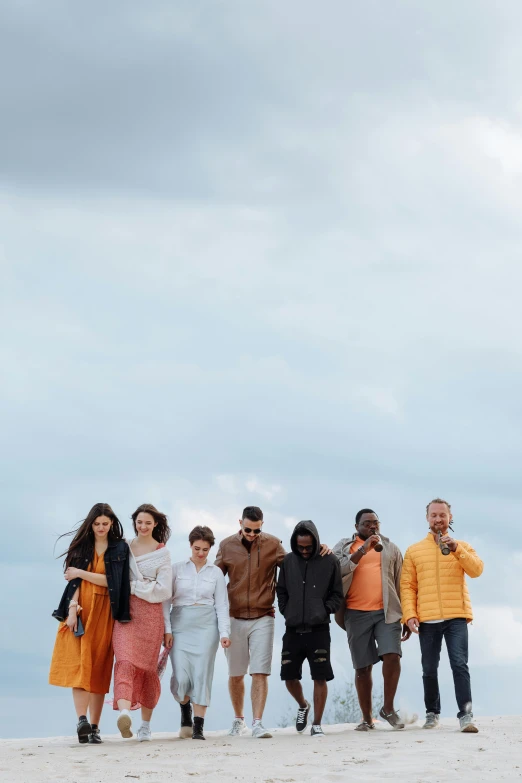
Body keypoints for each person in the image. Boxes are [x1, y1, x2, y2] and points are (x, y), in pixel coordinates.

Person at [215, 506, 332, 739]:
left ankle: (257, 723)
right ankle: (240, 721)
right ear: (240, 523)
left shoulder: (272, 544)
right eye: (247, 529)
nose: (251, 534)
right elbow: (215, 579)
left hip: (263, 616)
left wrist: (321, 549)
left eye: (256, 530)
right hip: (234, 616)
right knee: (236, 673)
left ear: (262, 525)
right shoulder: (226, 545)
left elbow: (297, 563)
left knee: (260, 672)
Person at [50, 502, 130, 744]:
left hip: (107, 612)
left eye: (105, 524)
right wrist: (72, 610)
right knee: (81, 668)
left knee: (100, 669)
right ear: (91, 523)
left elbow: (112, 581)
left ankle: (95, 727)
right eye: (97, 524)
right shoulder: (82, 547)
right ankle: (82, 721)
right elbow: (72, 584)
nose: (101, 528)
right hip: (83, 609)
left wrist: (80, 573)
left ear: (112, 524)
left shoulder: (120, 548)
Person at [401, 498, 484, 733]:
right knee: (429, 667)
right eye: (434, 515)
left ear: (450, 518)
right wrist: (409, 614)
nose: (438, 519)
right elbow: (407, 586)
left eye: (443, 515)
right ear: (427, 518)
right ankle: (432, 713)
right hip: (427, 619)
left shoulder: (463, 546)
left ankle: (466, 717)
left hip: (456, 616)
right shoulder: (414, 550)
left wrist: (458, 550)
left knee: (459, 665)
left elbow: (477, 570)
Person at [333, 509, 410, 731]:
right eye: (367, 523)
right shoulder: (344, 546)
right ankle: (366, 718)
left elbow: (400, 581)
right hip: (355, 614)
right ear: (357, 526)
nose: (372, 527)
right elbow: (337, 570)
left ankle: (387, 708)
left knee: (392, 655)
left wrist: (406, 615)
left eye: (375, 522)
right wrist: (362, 551)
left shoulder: (391, 548)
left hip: (386, 613)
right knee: (362, 667)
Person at [163, 525, 231, 740]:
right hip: (180, 623)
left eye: (205, 549)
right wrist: (166, 629)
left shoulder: (216, 572)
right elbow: (165, 602)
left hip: (206, 626)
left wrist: (224, 633)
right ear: (190, 546)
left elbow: (222, 604)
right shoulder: (176, 569)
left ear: (210, 549)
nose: (201, 553)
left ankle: (198, 727)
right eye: (197, 549)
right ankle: (185, 709)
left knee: (202, 674)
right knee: (181, 676)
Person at [276, 520, 343, 738]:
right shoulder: (287, 561)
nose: (304, 551)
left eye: (308, 547)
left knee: (320, 677)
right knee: (289, 676)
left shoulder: (330, 560)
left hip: (319, 630)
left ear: (316, 542)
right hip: (293, 628)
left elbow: (337, 594)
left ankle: (317, 725)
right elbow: (281, 590)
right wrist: (287, 610)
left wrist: (324, 611)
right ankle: (303, 705)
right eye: (300, 547)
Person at [113, 503, 172, 741]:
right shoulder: (123, 547)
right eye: (139, 522)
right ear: (134, 522)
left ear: (155, 524)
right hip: (124, 615)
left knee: (148, 670)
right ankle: (125, 713)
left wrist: (134, 587)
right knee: (124, 661)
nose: (143, 526)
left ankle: (145, 726)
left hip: (151, 617)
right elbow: (114, 578)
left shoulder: (162, 552)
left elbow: (164, 591)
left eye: (148, 522)